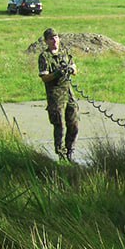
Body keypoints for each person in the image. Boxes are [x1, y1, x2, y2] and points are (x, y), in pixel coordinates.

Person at [38, 27, 79, 162]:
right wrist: (57, 73)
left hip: (68, 93)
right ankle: (60, 154)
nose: (54, 40)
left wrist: (70, 69)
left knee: (73, 123)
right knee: (59, 125)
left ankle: (70, 151)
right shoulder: (45, 57)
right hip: (55, 95)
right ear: (46, 41)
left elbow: (75, 70)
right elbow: (44, 78)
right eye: (51, 38)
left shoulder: (65, 53)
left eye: (56, 37)